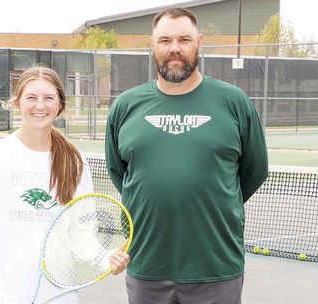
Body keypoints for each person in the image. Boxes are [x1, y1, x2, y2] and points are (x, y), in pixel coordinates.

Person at [105, 8, 268, 304]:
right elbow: (121, 173)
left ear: (199, 42)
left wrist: (212, 199)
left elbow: (255, 170)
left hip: (215, 266)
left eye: (184, 39)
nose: (175, 49)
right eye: (165, 40)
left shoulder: (234, 102)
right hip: (146, 263)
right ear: (152, 45)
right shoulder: (126, 106)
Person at [0, 66, 129, 304]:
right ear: (17, 103)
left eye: (48, 98)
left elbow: (81, 232)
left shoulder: (75, 162)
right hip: (7, 296)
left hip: (60, 295)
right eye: (31, 98)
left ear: (60, 105)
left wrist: (104, 258)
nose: (40, 106)